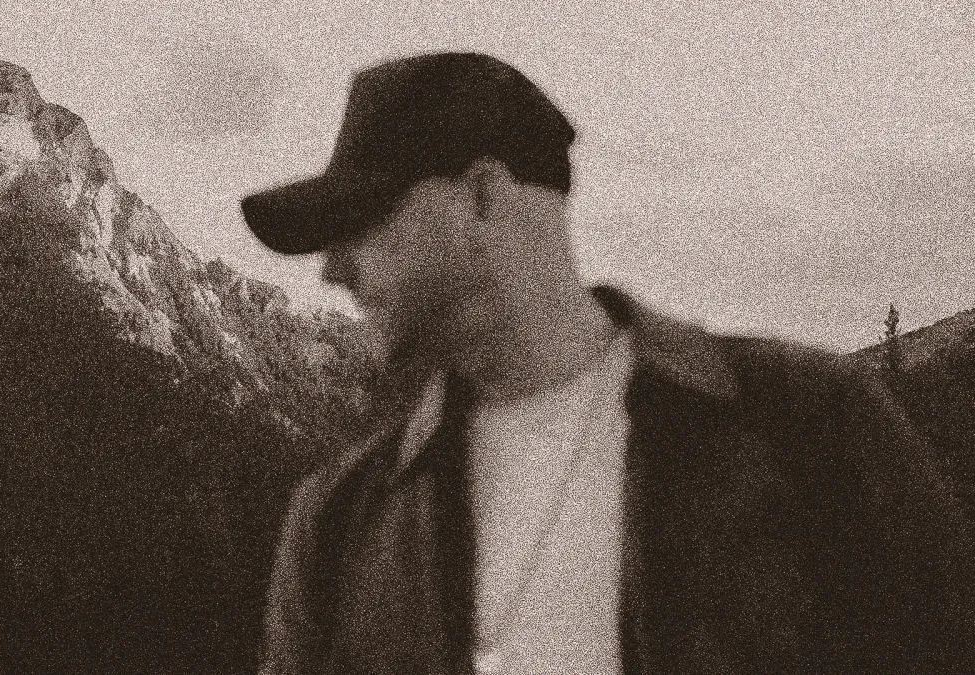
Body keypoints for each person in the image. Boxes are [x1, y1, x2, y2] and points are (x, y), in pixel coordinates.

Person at [239, 52, 975, 674]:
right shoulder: (336, 526)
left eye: (363, 220)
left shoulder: (809, 424)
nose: (332, 268)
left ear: (483, 196)